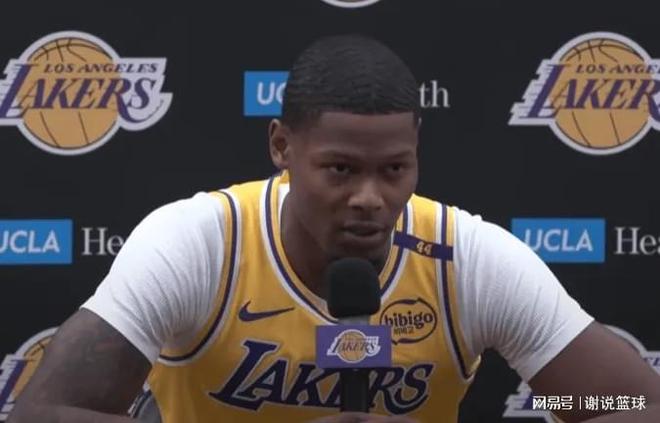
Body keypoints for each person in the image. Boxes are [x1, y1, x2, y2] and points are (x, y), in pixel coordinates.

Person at [7, 34, 660, 423]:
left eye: (395, 169)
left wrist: (559, 409)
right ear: (281, 146)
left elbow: (635, 406)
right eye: (341, 169)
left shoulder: (468, 258)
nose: (370, 199)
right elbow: (42, 413)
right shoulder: (200, 242)